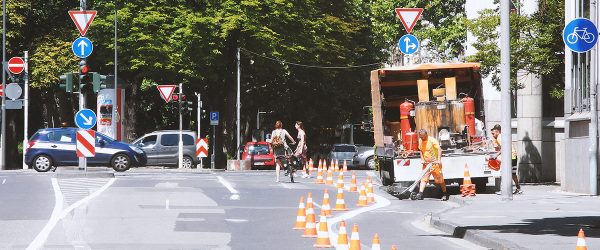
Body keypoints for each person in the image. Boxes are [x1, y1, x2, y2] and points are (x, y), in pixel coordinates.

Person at [415, 129, 449, 201]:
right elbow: (420, 150)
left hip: (434, 163)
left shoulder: (432, 140)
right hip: (426, 164)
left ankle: (445, 193)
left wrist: (439, 160)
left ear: (426, 135)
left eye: (423, 137)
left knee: (440, 180)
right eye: (421, 137)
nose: (422, 138)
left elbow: (439, 149)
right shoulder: (420, 140)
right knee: (424, 179)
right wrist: (422, 159)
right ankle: (420, 193)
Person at [490, 124, 522, 195]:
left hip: (509, 157)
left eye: (493, 133)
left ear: (497, 131)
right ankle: (518, 189)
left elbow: (504, 147)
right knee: (513, 174)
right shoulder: (503, 136)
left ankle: (504, 190)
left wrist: (496, 155)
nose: (492, 135)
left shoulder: (499, 138)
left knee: (504, 173)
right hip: (514, 156)